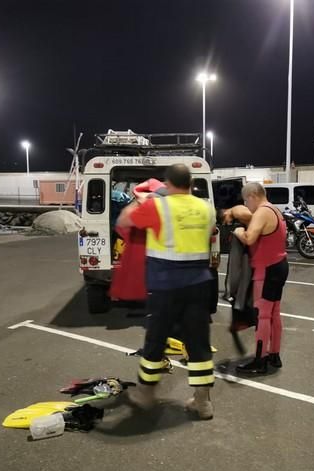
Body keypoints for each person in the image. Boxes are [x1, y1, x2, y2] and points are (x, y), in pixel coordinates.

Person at [117, 164, 216, 419]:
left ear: (167, 184)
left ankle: (146, 394)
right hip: (199, 284)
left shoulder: (157, 206)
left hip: (165, 286)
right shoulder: (206, 208)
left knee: (156, 341)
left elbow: (123, 220)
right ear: (191, 183)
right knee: (198, 344)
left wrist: (144, 199)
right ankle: (203, 402)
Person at [224, 182, 289, 374]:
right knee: (274, 313)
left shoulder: (262, 212)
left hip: (267, 270)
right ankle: (274, 355)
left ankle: (259, 361)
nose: (246, 204)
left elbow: (250, 238)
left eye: (246, 200)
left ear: (252, 195)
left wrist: (238, 232)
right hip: (279, 266)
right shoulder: (275, 210)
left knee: (263, 315)